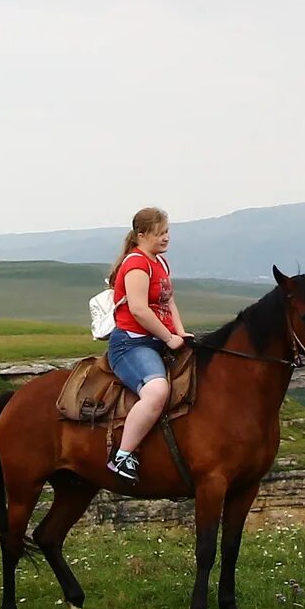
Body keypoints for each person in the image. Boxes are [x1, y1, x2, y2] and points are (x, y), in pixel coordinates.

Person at [105, 207, 189, 485]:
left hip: (159, 337)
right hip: (131, 343)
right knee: (156, 391)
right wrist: (168, 338)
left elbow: (168, 301)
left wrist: (181, 332)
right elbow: (139, 310)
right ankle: (122, 455)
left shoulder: (160, 263)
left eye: (167, 232)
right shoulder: (137, 264)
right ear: (141, 235)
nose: (166, 238)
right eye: (159, 233)